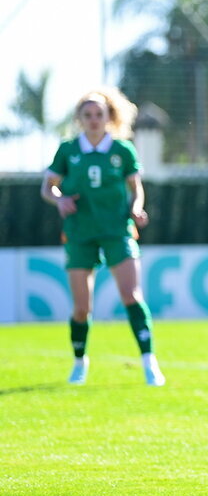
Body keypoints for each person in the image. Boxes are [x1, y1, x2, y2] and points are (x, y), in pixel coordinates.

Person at [40, 88, 166, 386]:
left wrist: (137, 209)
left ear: (110, 116)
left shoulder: (122, 150)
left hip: (116, 231)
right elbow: (47, 188)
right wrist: (59, 200)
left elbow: (136, 189)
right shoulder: (68, 150)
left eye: (100, 114)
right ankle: (79, 362)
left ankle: (149, 362)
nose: (94, 120)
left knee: (131, 295)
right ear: (80, 119)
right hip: (79, 233)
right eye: (88, 115)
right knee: (82, 307)